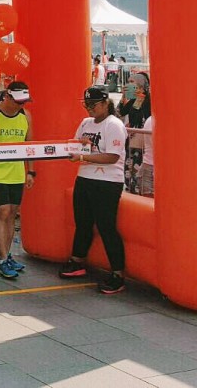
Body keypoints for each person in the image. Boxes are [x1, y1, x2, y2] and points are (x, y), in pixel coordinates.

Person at [59, 87, 128, 295]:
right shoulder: (86, 123)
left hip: (107, 181)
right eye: (86, 105)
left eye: (93, 105)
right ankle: (77, 260)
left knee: (106, 226)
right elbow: (75, 145)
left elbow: (112, 156)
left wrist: (83, 156)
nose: (89, 109)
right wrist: (80, 148)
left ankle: (118, 274)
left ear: (106, 103)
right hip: (85, 177)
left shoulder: (113, 125)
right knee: (83, 222)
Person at [0, 81, 34, 279]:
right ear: (7, 96)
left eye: (24, 102)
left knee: (13, 213)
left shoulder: (26, 115)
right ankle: (2, 257)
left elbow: (30, 145)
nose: (21, 105)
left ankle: (7, 255)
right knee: (3, 212)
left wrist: (31, 172)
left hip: (17, 171)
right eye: (18, 101)